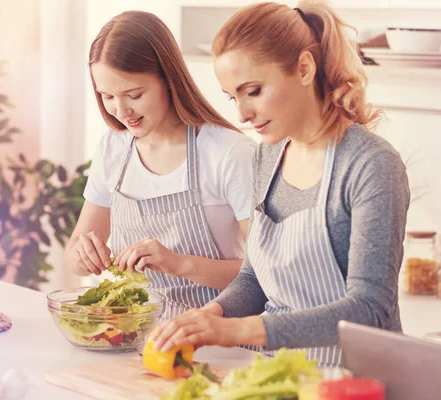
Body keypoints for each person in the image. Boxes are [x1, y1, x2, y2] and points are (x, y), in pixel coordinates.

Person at [151, 1, 410, 367]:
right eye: (233, 97)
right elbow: (254, 277)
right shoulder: (267, 157)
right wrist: (213, 314)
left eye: (253, 91)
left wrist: (238, 332)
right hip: (279, 372)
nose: (241, 114)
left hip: (355, 378)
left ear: (304, 68)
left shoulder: (370, 164)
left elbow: (369, 309)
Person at [63, 11, 256, 322]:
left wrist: (178, 264)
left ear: (168, 78)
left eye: (134, 94)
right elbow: (73, 256)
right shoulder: (113, 148)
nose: (122, 111)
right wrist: (82, 255)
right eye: (107, 96)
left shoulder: (229, 153)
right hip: (135, 334)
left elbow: (265, 275)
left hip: (220, 339)